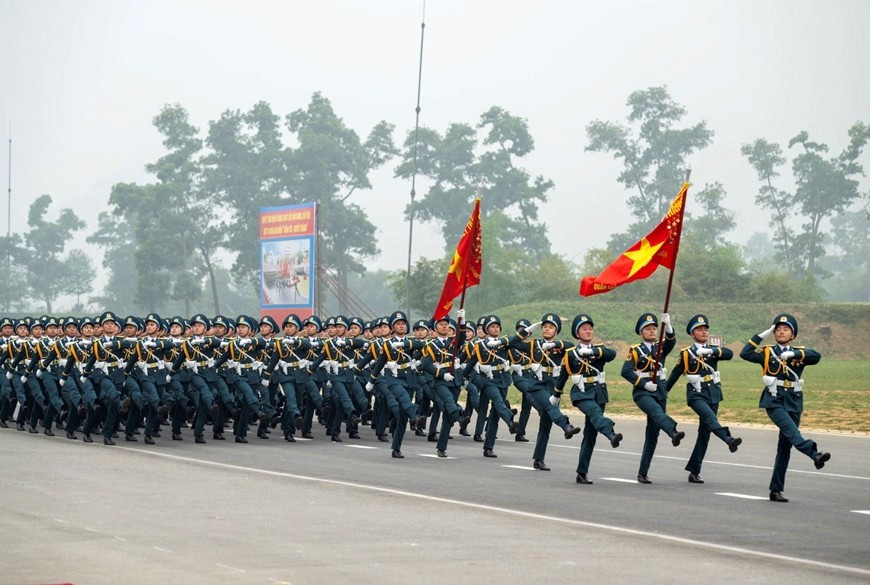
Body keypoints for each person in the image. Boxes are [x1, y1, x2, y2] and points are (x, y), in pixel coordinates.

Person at [740, 313, 830, 503]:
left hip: (794, 401)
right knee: (793, 433)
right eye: (778, 329)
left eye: (785, 329)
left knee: (785, 446)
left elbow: (817, 356)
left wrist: (794, 354)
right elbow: (745, 353)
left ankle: (776, 489)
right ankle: (814, 453)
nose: (781, 332)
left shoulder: (800, 352)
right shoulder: (767, 352)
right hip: (774, 401)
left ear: (793, 335)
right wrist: (761, 335)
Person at [667, 314, 742, 484]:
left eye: (705, 329)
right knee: (710, 418)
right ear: (692, 334)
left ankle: (694, 471)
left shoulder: (712, 350)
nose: (704, 332)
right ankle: (728, 439)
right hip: (696, 395)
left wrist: (711, 350)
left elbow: (729, 354)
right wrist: (662, 393)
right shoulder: (686, 354)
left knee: (705, 433)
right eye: (699, 330)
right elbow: (675, 374)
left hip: (713, 393)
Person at [554, 313, 621, 484]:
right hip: (582, 394)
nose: (588, 331)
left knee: (590, 434)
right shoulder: (571, 354)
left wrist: (594, 351)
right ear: (577, 333)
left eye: (590, 328)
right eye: (584, 329)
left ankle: (582, 472)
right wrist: (556, 394)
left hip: (599, 393)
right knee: (596, 413)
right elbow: (563, 375)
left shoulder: (598, 351)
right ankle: (611, 433)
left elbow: (612, 354)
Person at [620, 312, 685, 484]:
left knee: (652, 433)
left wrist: (669, 326)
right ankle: (673, 431)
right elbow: (625, 371)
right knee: (656, 413)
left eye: (654, 328)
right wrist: (642, 383)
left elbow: (671, 342)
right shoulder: (635, 350)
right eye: (647, 329)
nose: (652, 331)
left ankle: (643, 472)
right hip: (643, 393)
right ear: (641, 333)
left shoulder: (660, 348)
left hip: (660, 392)